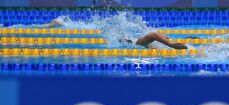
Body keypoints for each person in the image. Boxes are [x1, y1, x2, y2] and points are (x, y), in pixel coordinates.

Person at [41, 19, 188, 50]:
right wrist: (171, 44)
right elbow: (153, 34)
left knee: (90, 26)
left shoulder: (140, 44)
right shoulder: (140, 44)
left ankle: (62, 24)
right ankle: (61, 24)